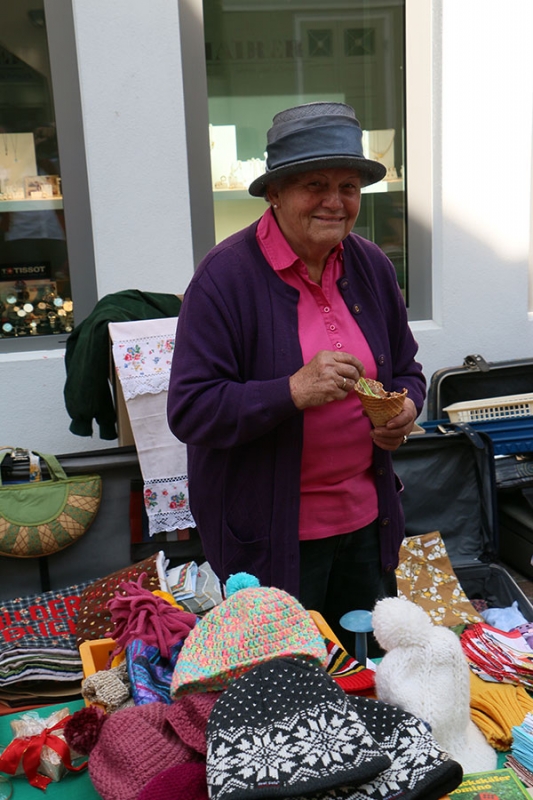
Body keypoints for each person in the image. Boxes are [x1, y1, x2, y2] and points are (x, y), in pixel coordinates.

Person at [167, 101, 426, 652]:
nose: (336, 201)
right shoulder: (225, 278)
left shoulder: (371, 266)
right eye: (315, 184)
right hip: (269, 539)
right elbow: (190, 409)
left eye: (349, 186)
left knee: (365, 675)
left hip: (366, 524)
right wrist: (292, 391)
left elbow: (407, 368)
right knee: (289, 688)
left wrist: (404, 409)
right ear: (274, 193)